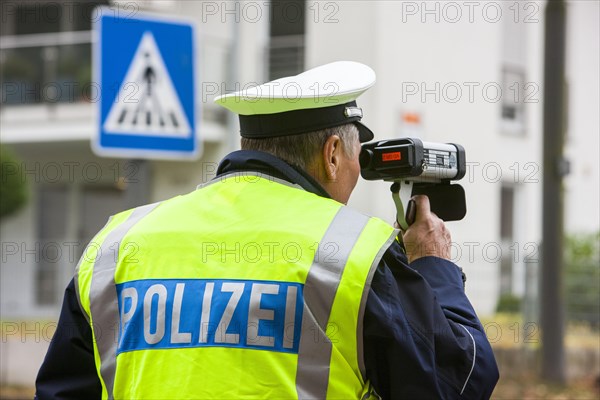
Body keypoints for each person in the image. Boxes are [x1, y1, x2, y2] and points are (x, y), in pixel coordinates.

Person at [35, 61, 499, 399]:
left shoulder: (117, 243)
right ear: (333, 153)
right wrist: (433, 265)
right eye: (358, 157)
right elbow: (459, 382)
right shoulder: (353, 253)